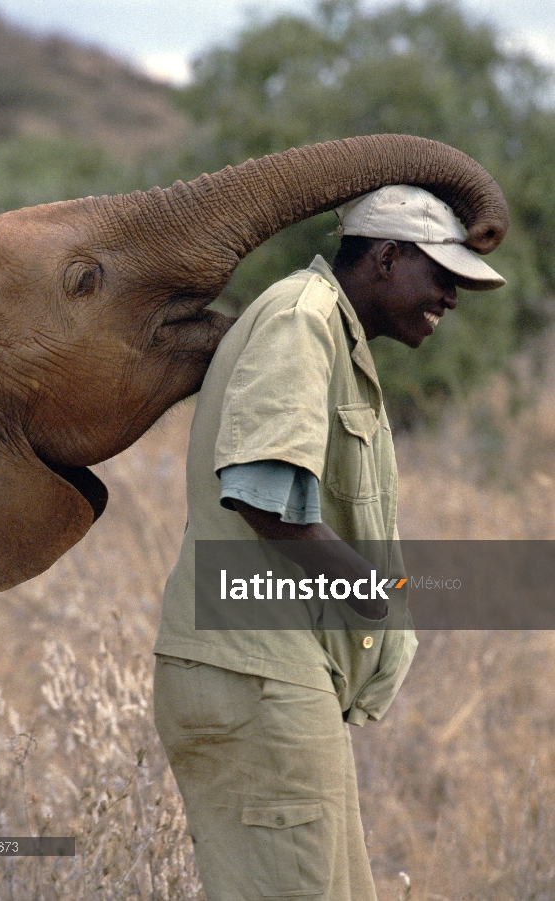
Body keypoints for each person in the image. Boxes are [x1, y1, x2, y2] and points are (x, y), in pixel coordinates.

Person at [153, 185, 506, 901]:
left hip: (280, 676)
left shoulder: (327, 334)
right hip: (259, 677)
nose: (452, 297)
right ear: (385, 257)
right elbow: (264, 497)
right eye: (441, 275)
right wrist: (374, 597)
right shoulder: (299, 319)